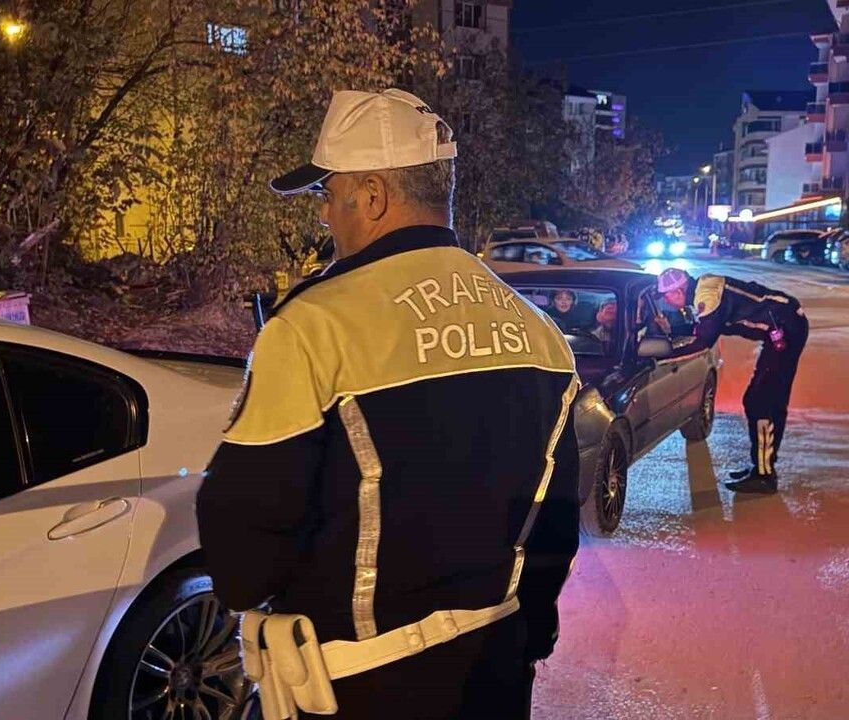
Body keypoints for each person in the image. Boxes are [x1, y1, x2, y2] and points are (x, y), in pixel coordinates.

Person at [196, 88, 581, 720]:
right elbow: (555, 526)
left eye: (329, 194)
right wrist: (525, 638)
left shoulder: (313, 327)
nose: (325, 216)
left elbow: (243, 561)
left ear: (373, 196)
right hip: (497, 676)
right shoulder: (539, 333)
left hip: (358, 688)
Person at [652, 267, 809, 494]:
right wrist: (673, 329)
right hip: (787, 323)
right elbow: (704, 326)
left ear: (677, 291)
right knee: (766, 400)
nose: (665, 301)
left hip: (785, 330)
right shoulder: (703, 289)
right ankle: (763, 467)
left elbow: (703, 341)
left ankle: (764, 474)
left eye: (665, 296)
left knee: (760, 402)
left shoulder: (707, 297)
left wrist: (662, 355)